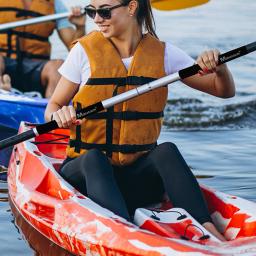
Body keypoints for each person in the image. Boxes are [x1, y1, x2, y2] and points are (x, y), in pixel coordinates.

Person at [45, 0, 235, 241]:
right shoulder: (82, 52)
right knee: (94, 158)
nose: (97, 19)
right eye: (91, 12)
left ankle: (210, 230)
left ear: (132, 7)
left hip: (136, 181)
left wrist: (220, 68)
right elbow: (53, 106)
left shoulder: (164, 54)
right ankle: (122, 232)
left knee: (166, 151)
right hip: (86, 176)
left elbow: (223, 91)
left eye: (104, 11)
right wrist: (58, 115)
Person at [0, 0, 86, 98]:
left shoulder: (55, 4)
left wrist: (80, 27)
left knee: (57, 66)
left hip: (36, 68)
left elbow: (74, 50)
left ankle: (52, 109)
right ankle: (3, 92)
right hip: (4, 62)